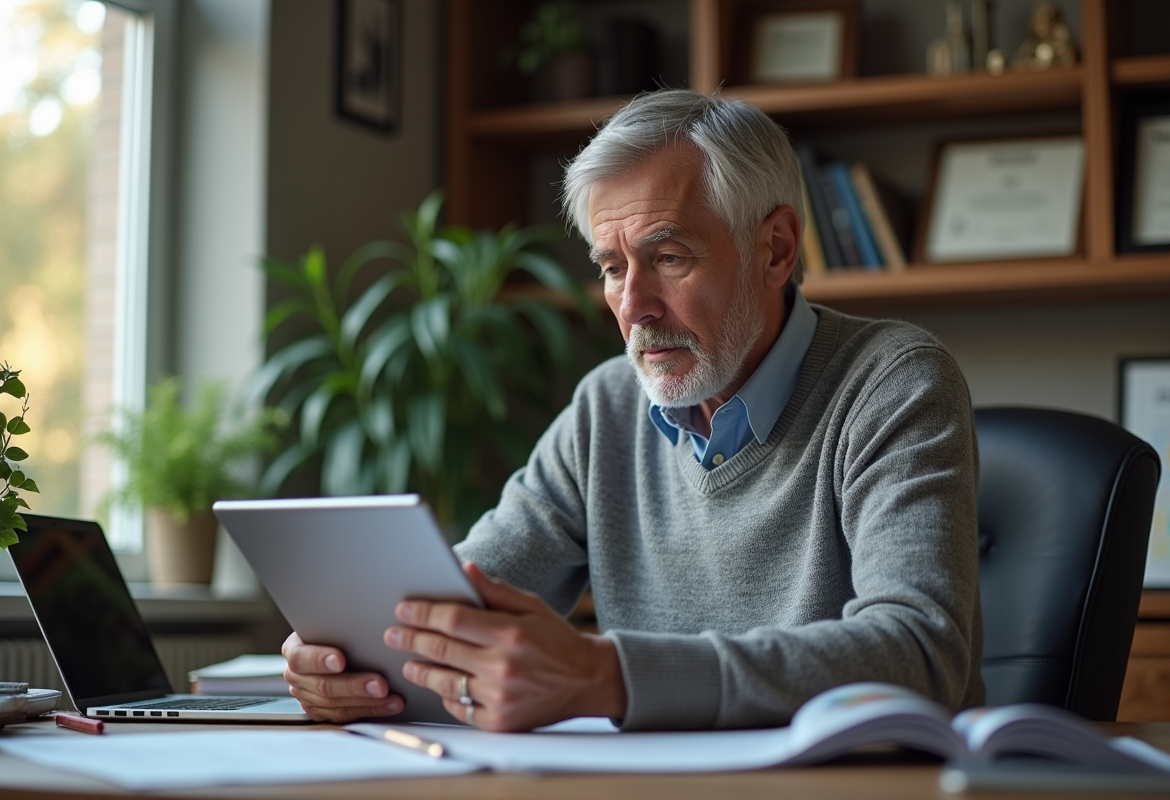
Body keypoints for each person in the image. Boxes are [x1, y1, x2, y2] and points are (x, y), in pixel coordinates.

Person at [282, 89, 985, 732]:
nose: (633, 307)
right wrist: (351, 656)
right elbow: (463, 598)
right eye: (612, 268)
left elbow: (921, 653)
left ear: (775, 249)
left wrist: (606, 676)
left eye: (670, 257)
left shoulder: (894, 382)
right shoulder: (606, 406)